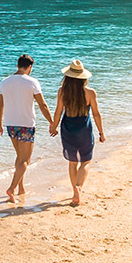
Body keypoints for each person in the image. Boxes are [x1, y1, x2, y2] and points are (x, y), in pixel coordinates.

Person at [0, 54, 55, 203]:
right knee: (25, 159)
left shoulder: (4, 82)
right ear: (29, 67)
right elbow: (43, 105)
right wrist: (52, 122)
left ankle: (21, 189)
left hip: (10, 124)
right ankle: (11, 188)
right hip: (26, 124)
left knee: (19, 157)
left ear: (17, 65)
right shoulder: (32, 82)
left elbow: (0, 105)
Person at [49, 60, 106, 206]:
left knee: (72, 161)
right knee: (86, 161)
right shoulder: (90, 93)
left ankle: (74, 188)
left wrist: (53, 127)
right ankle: (78, 187)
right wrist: (101, 132)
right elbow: (96, 114)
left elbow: (58, 112)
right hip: (84, 129)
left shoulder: (62, 91)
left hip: (67, 129)